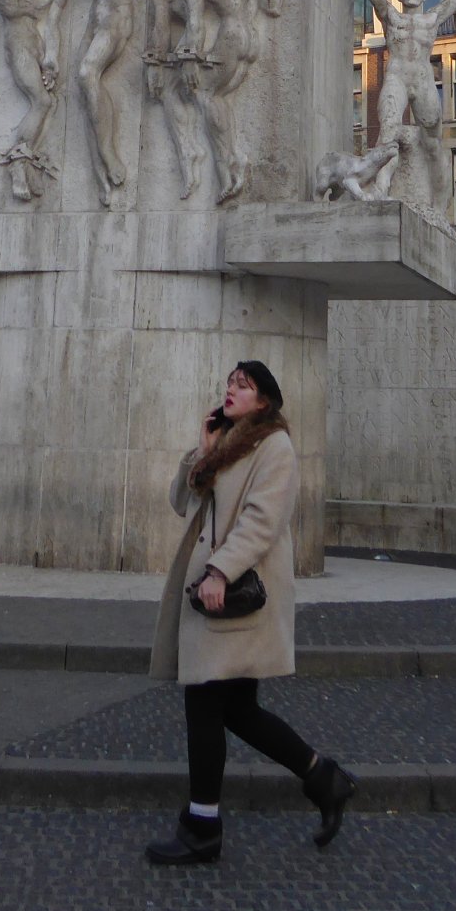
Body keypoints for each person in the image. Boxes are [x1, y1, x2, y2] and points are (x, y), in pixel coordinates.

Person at [146, 361, 357, 866]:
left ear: (264, 401)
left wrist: (220, 571)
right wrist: (202, 451)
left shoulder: (274, 447)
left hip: (239, 593)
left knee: (204, 700)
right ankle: (323, 777)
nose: (231, 390)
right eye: (230, 383)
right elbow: (180, 501)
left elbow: (264, 520)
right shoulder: (226, 443)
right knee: (237, 710)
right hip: (217, 594)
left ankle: (203, 827)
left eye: (243, 386)